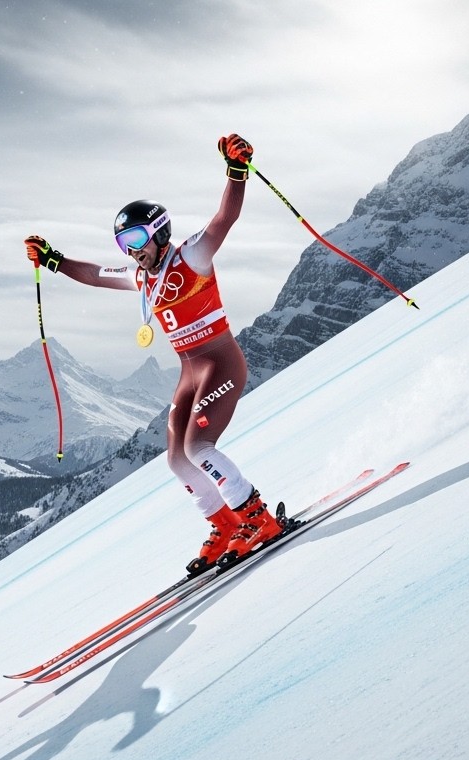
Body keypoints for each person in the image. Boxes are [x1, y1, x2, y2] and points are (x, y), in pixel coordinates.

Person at [24, 134, 290, 575]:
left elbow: (225, 218)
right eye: (122, 243)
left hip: (220, 361)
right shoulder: (141, 278)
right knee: (176, 459)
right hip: (189, 371)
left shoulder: (191, 256)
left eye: (134, 238)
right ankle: (225, 525)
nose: (130, 251)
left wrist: (236, 170)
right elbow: (93, 275)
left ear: (158, 231)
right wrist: (54, 260)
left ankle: (257, 520)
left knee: (199, 446)